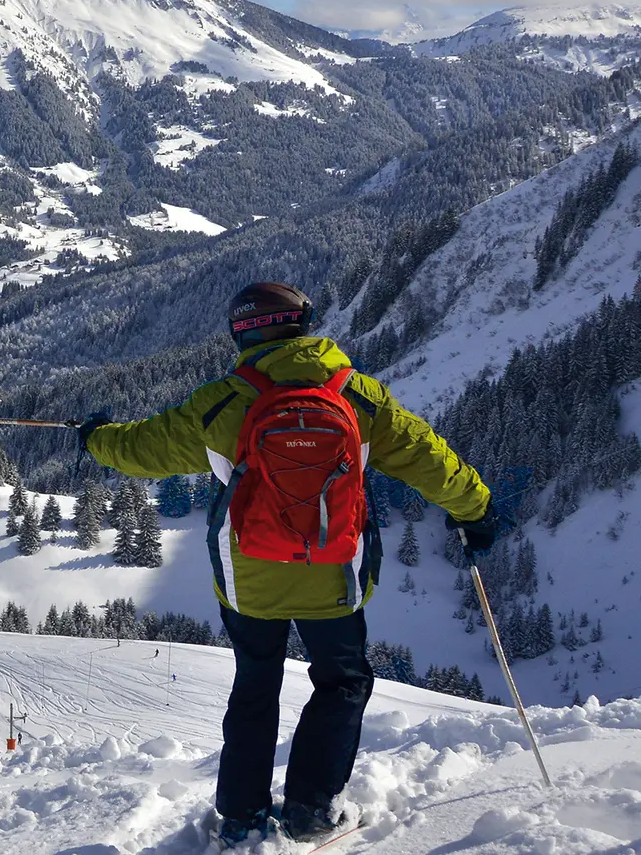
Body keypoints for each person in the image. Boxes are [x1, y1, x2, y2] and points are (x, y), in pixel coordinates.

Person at [78, 282, 497, 847]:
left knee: (255, 685)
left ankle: (242, 815)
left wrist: (96, 436)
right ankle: (313, 809)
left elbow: (139, 451)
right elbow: (430, 459)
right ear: (305, 324)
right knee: (342, 681)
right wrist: (476, 511)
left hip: (248, 579)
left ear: (241, 333)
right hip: (335, 576)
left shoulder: (223, 403)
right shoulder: (359, 397)